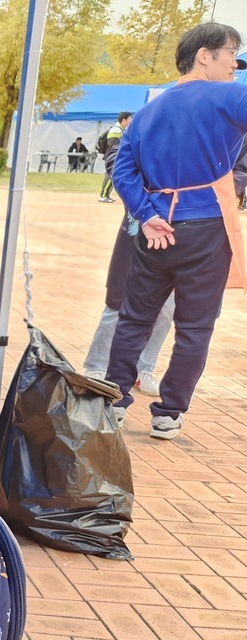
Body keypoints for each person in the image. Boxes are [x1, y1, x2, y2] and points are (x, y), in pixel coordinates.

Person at [106, 23, 247, 439]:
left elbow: (122, 169)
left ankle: (113, 400)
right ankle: (168, 412)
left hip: (156, 228)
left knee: (133, 319)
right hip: (206, 225)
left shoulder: (148, 110)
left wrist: (147, 213)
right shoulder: (229, 96)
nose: (235, 67)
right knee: (195, 326)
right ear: (204, 55)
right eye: (231, 55)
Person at [83, 204, 174, 394]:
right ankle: (96, 366)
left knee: (167, 308)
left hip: (182, 232)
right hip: (139, 224)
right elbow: (117, 173)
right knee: (118, 305)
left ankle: (143, 368)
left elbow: (238, 175)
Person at [98, 112, 132, 201]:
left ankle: (106, 195)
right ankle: (104, 195)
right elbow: (113, 145)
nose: (131, 121)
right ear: (124, 120)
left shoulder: (120, 130)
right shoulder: (116, 130)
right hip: (113, 158)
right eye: (130, 119)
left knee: (112, 176)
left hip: (114, 157)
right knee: (111, 176)